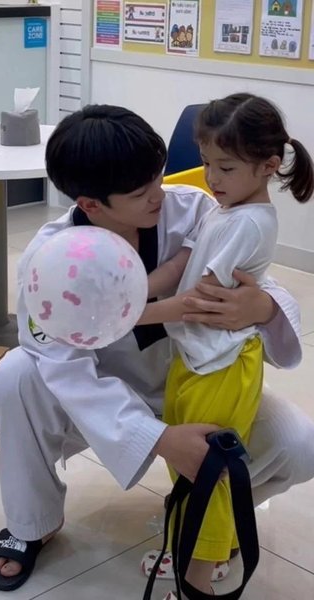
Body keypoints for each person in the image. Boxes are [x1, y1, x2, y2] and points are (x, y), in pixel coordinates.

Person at [0, 104, 314, 593]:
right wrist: (156, 438)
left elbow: (251, 277)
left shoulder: (196, 209)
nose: (159, 195)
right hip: (103, 398)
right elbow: (62, 364)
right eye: (140, 193)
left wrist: (263, 307)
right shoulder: (49, 260)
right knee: (14, 376)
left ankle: (201, 516)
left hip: (194, 378)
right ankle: (32, 523)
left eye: (157, 178)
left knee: (300, 446)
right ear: (91, 203)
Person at [135, 93, 313, 599]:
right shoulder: (226, 208)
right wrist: (134, 291)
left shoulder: (249, 222)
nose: (211, 177)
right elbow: (181, 266)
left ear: (268, 166)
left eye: (226, 167)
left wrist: (130, 314)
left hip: (220, 364)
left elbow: (198, 301)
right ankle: (195, 548)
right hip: (197, 356)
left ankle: (198, 581)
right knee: (189, 462)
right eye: (206, 162)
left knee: (208, 472)